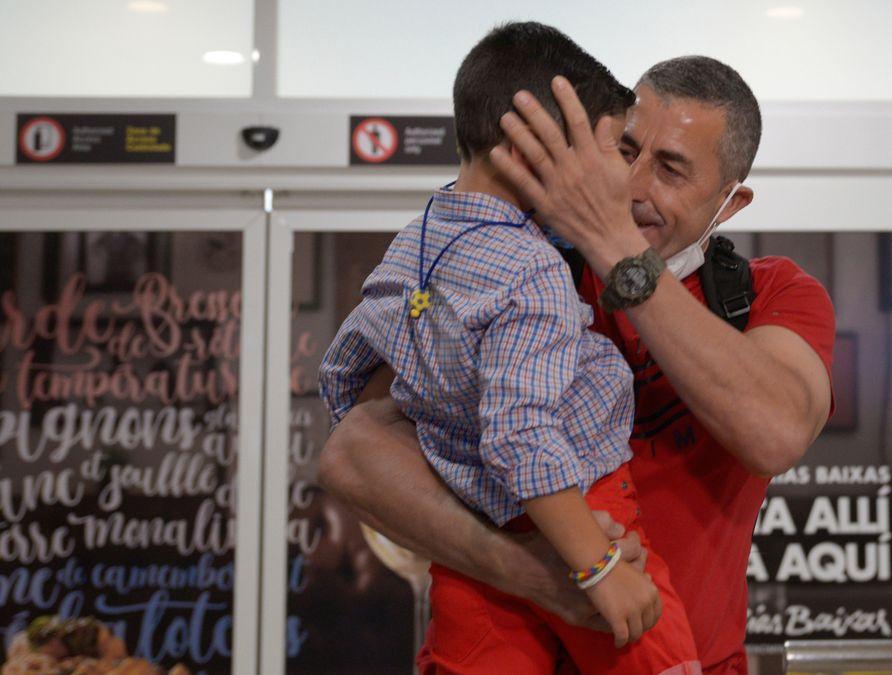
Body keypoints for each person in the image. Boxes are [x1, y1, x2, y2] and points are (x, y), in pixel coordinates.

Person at [320, 54, 836, 674]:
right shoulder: (516, 267)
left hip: (673, 655)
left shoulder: (772, 293)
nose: (633, 184)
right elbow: (354, 457)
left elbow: (773, 432)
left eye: (670, 169)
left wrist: (612, 244)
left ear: (730, 202)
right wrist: (537, 573)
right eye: (625, 151)